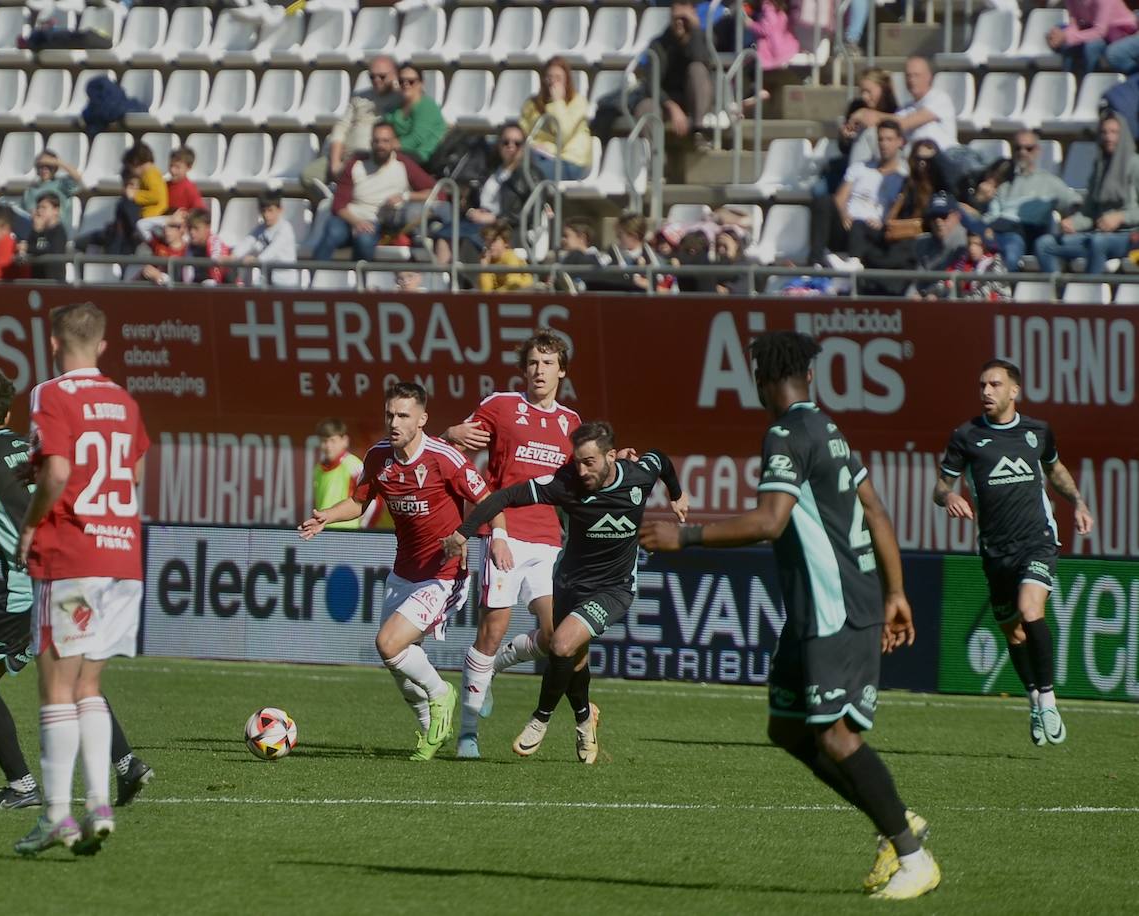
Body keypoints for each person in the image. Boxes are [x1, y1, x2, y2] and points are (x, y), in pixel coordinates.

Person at [640, 331, 939, 901]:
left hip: (835, 607)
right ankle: (898, 819)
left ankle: (911, 854)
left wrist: (689, 536)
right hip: (821, 609)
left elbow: (771, 520)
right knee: (786, 726)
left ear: (760, 382)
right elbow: (873, 508)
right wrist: (896, 591)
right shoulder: (829, 429)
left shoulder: (785, 432)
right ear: (810, 377)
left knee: (834, 735)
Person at [0, 368, 153, 810]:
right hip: (72, 570)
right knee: (74, 677)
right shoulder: (35, 447)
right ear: (9, 410)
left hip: (27, 587)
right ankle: (126, 764)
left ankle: (22, 787)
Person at [442, 422, 687, 764]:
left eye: (590, 462)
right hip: (570, 583)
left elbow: (659, 460)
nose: (582, 470)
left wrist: (677, 494)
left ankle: (539, 720)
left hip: (614, 588)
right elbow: (505, 496)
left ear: (611, 457)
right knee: (576, 660)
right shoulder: (566, 484)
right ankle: (585, 720)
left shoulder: (637, 477)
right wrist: (464, 532)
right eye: (578, 461)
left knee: (560, 645)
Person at [299, 382, 510, 761]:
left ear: (422, 419)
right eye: (389, 415)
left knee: (388, 643)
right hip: (404, 572)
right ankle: (431, 729)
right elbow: (359, 502)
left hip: (443, 574)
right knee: (398, 662)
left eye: (403, 415)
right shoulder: (379, 456)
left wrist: (499, 536)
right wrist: (326, 517)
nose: (393, 422)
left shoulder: (444, 458)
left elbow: (489, 500)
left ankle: (443, 694)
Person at [13, 301, 151, 856]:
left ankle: (55, 816)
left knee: (55, 688)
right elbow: (136, 471)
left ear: (53, 343)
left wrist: (31, 522)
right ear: (102, 345)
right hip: (124, 558)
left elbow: (62, 471)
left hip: (72, 553)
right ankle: (97, 804)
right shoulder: (124, 400)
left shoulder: (50, 394)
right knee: (89, 685)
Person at [933, 359, 1094, 747]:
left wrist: (1078, 501)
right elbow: (940, 487)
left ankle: (1051, 700)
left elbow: (1054, 470)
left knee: (1030, 608)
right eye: (982, 385)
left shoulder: (1037, 431)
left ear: (1014, 391)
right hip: (994, 549)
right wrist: (950, 495)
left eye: (994, 384)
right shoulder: (967, 435)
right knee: (1014, 633)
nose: (986, 391)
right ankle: (1035, 700)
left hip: (1037, 539)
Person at [439, 330, 581, 759]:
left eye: (548, 363)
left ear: (562, 371)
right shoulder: (501, 406)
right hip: (504, 532)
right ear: (524, 369)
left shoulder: (571, 423)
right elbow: (454, 452)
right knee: (492, 629)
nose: (539, 370)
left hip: (548, 540)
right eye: (533, 363)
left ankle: (498, 665)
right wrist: (450, 431)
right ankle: (467, 733)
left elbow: (581, 480)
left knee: (559, 633)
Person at [309, 123, 437, 262]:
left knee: (364, 241)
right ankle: (314, 276)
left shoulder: (404, 165)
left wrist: (406, 196)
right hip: (349, 217)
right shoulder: (355, 164)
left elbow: (436, 192)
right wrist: (357, 222)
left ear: (394, 143)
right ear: (371, 143)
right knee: (332, 233)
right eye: (376, 141)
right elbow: (339, 205)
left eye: (385, 141)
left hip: (377, 221)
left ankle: (358, 281)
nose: (380, 145)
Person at [1035, 113, 1139, 274]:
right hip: (1096, 234)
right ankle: (1056, 293)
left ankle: (1089, 292)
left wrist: (1120, 217)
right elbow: (1089, 213)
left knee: (1098, 242)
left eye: (1113, 132)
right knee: (1044, 243)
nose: (1108, 137)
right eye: (1104, 132)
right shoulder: (1100, 167)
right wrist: (1073, 223)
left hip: (1128, 237)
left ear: (1123, 135)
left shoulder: (1135, 165)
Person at [966, 131, 1081, 271]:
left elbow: (1076, 203)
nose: (1022, 152)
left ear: (1037, 151)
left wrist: (1073, 221)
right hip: (995, 231)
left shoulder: (1049, 182)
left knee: (1010, 251)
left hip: (1024, 234)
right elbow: (989, 214)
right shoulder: (1004, 181)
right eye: (1018, 148)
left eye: (1029, 148)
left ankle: (1003, 290)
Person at [431, 124, 542, 265]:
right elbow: (471, 199)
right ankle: (445, 282)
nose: (510, 146)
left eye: (517, 143)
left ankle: (473, 283)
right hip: (476, 222)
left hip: (506, 228)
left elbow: (531, 211)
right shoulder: (490, 169)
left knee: (468, 241)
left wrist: (495, 218)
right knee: (444, 235)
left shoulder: (531, 175)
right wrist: (471, 210)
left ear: (524, 146)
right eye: (505, 142)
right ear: (499, 144)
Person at [811, 120, 907, 268]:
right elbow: (839, 199)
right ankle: (815, 264)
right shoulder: (860, 167)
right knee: (824, 201)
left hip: (873, 231)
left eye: (889, 139)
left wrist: (883, 223)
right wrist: (844, 214)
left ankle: (853, 264)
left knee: (859, 225)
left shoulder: (902, 178)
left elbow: (896, 211)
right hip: (847, 227)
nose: (883, 144)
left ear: (900, 142)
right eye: (880, 139)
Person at [617, 2, 713, 144]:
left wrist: (696, 30)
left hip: (695, 98)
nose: (680, 23)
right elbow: (651, 82)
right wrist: (671, 106)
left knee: (697, 69)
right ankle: (655, 159)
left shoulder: (702, 39)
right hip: (666, 99)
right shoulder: (658, 44)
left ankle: (698, 131)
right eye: (676, 19)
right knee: (645, 107)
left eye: (684, 19)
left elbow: (702, 61)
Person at [304, 55, 403, 189]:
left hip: (372, 158)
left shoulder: (401, 98)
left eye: (382, 76)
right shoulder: (359, 97)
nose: (377, 80)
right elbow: (341, 128)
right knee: (308, 176)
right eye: (372, 77)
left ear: (394, 75)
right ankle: (331, 202)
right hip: (344, 155)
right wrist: (335, 162)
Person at [519, 56, 592, 182]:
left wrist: (557, 102)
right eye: (549, 77)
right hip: (537, 156)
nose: (553, 82)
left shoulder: (578, 102)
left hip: (570, 161)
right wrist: (534, 145)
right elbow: (522, 134)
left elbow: (562, 135)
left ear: (567, 81)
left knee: (530, 174)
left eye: (558, 78)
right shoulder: (532, 104)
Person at [311, 417, 376, 530]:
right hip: (323, 531)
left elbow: (373, 502)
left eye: (332, 440)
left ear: (345, 440)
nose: (328, 446)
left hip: (348, 534)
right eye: (324, 441)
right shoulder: (317, 469)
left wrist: (363, 530)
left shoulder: (354, 465)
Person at [1047, 0, 1139, 78]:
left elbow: (1100, 31)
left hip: (1120, 33)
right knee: (1068, 45)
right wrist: (1063, 35)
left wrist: (1066, 37)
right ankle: (1069, 82)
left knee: (1091, 47)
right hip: (1099, 32)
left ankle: (1090, 82)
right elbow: (1074, 22)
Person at [384, 64, 446, 166]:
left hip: (423, 155)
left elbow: (417, 138)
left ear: (421, 84)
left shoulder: (427, 106)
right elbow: (386, 125)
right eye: (401, 81)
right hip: (400, 152)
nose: (406, 84)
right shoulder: (397, 106)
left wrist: (391, 145)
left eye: (411, 81)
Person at [231, 193, 298, 287]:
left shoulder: (285, 228)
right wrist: (233, 255)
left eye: (270, 210)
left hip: (286, 283)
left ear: (280, 210)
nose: (266, 215)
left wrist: (257, 260)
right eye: (263, 211)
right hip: (267, 281)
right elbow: (248, 241)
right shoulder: (261, 228)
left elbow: (273, 250)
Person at [920, 232, 1010, 301]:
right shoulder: (964, 263)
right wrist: (930, 293)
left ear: (985, 245)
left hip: (997, 312)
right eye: (969, 244)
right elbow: (945, 280)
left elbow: (986, 294)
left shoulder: (996, 262)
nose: (972, 248)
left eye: (976, 244)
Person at [910, 192, 969, 297]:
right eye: (934, 216)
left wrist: (932, 294)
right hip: (928, 297)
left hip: (958, 302)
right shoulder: (922, 243)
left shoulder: (966, 241)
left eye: (943, 216)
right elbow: (916, 282)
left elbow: (957, 282)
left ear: (956, 216)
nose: (938, 221)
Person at [21, 150, 83, 225]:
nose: (44, 169)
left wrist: (58, 162)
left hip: (57, 226)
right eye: (41, 166)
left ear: (55, 168)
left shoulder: (62, 184)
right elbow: (31, 211)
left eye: (49, 166)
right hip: (37, 226)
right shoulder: (31, 190)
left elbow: (78, 179)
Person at [20, 193, 68, 282]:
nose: (39, 211)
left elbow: (52, 251)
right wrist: (36, 231)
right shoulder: (37, 230)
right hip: (36, 279)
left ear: (56, 210)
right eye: (38, 207)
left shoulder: (59, 231)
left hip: (54, 282)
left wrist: (28, 248)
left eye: (44, 208)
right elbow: (32, 247)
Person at [477, 220, 533, 292]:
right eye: (487, 240)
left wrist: (493, 295)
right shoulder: (487, 260)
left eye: (494, 240)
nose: (490, 245)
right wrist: (484, 268)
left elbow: (513, 285)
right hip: (502, 298)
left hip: (524, 296)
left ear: (505, 242)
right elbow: (485, 290)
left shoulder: (511, 256)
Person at [137, 211, 189, 286]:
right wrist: (168, 219)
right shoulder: (158, 244)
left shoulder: (188, 250)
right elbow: (141, 224)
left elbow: (183, 282)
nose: (167, 231)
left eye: (172, 226)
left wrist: (159, 276)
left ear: (181, 229)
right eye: (164, 226)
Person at [184, 208, 232, 285]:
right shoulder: (190, 246)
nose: (192, 232)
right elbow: (187, 278)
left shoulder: (215, 243)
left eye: (196, 228)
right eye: (190, 228)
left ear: (207, 228)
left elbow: (217, 274)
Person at [124, 142, 168, 218]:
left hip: (154, 216)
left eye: (130, 168)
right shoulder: (149, 173)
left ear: (136, 162)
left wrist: (135, 194)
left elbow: (156, 195)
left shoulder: (150, 173)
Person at [166, 146, 204, 213]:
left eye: (177, 167)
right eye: (171, 165)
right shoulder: (165, 185)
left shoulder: (190, 189)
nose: (172, 170)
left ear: (188, 168)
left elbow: (198, 215)